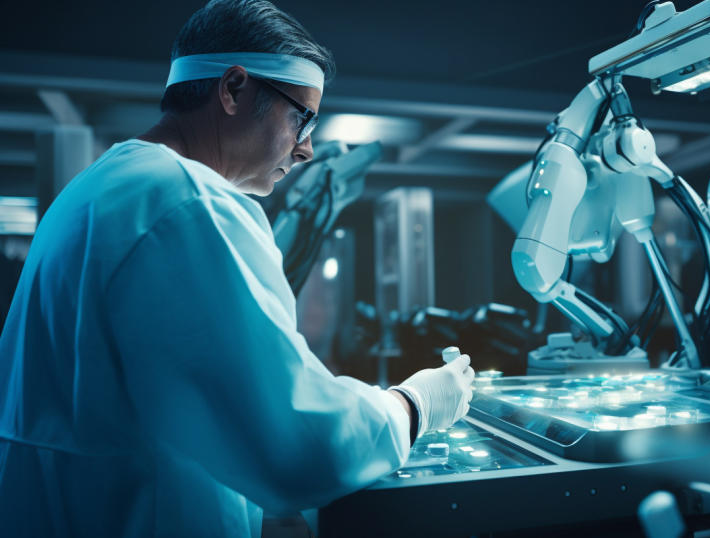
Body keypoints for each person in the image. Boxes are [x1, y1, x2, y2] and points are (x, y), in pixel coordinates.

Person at [0, 1, 474, 536]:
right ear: (232, 89)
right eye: (303, 116)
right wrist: (415, 404)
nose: (307, 149)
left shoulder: (95, 190)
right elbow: (298, 445)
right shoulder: (187, 202)